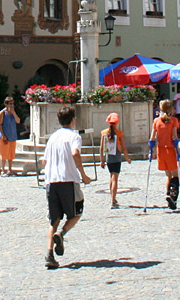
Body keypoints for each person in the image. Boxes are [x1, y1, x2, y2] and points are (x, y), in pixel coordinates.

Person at [42, 105, 93, 269]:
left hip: (51, 181)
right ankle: (61, 234)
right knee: (77, 212)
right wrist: (83, 175)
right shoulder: (74, 136)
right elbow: (75, 153)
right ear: (73, 120)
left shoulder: (52, 137)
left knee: (53, 220)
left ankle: (49, 255)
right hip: (68, 180)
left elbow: (44, 161)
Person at [151, 99, 180, 211]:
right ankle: (173, 197)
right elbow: (174, 137)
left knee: (167, 175)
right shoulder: (173, 120)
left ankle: (168, 193)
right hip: (170, 150)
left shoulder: (156, 121)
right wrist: (178, 151)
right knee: (175, 175)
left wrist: (152, 150)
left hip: (161, 150)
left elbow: (152, 138)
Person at [100, 113, 131, 208]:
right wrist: (127, 158)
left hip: (109, 157)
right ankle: (113, 201)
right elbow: (124, 148)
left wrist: (102, 160)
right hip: (117, 156)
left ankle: (112, 198)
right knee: (115, 179)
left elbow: (101, 147)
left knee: (111, 177)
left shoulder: (104, 133)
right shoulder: (119, 133)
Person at [0, 96, 21, 176]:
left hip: (12, 136)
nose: (11, 105)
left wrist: (13, 112)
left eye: (12, 104)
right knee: (4, 154)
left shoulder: (13, 113)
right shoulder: (2, 113)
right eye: (10, 104)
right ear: (6, 104)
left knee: (11, 154)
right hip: (4, 136)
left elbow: (18, 121)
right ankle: (3, 170)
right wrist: (3, 135)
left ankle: (10, 169)